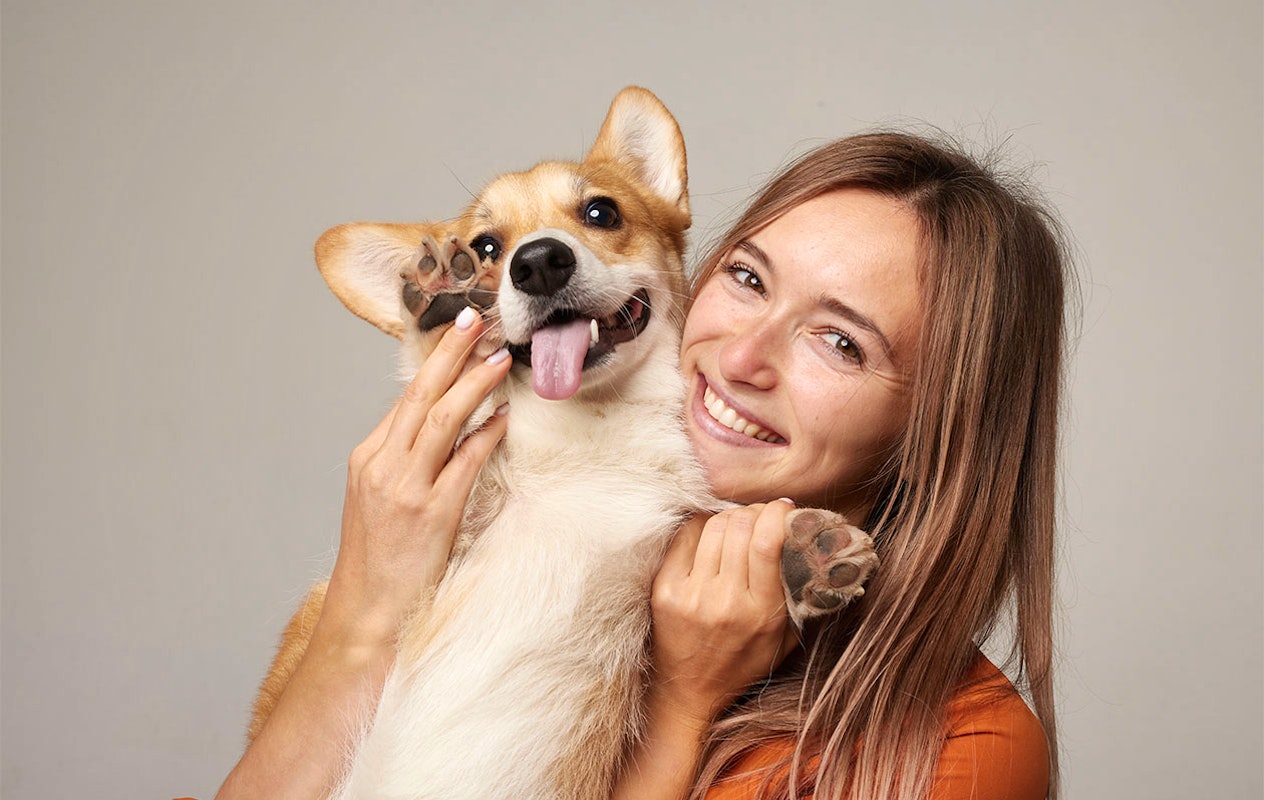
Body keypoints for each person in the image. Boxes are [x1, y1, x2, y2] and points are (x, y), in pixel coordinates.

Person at [215, 131, 1068, 800]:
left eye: (840, 342)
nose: (739, 359)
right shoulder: (489, 494)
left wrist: (678, 708)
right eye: (745, 277)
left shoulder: (969, 751)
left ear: (941, 425)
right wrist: (365, 607)